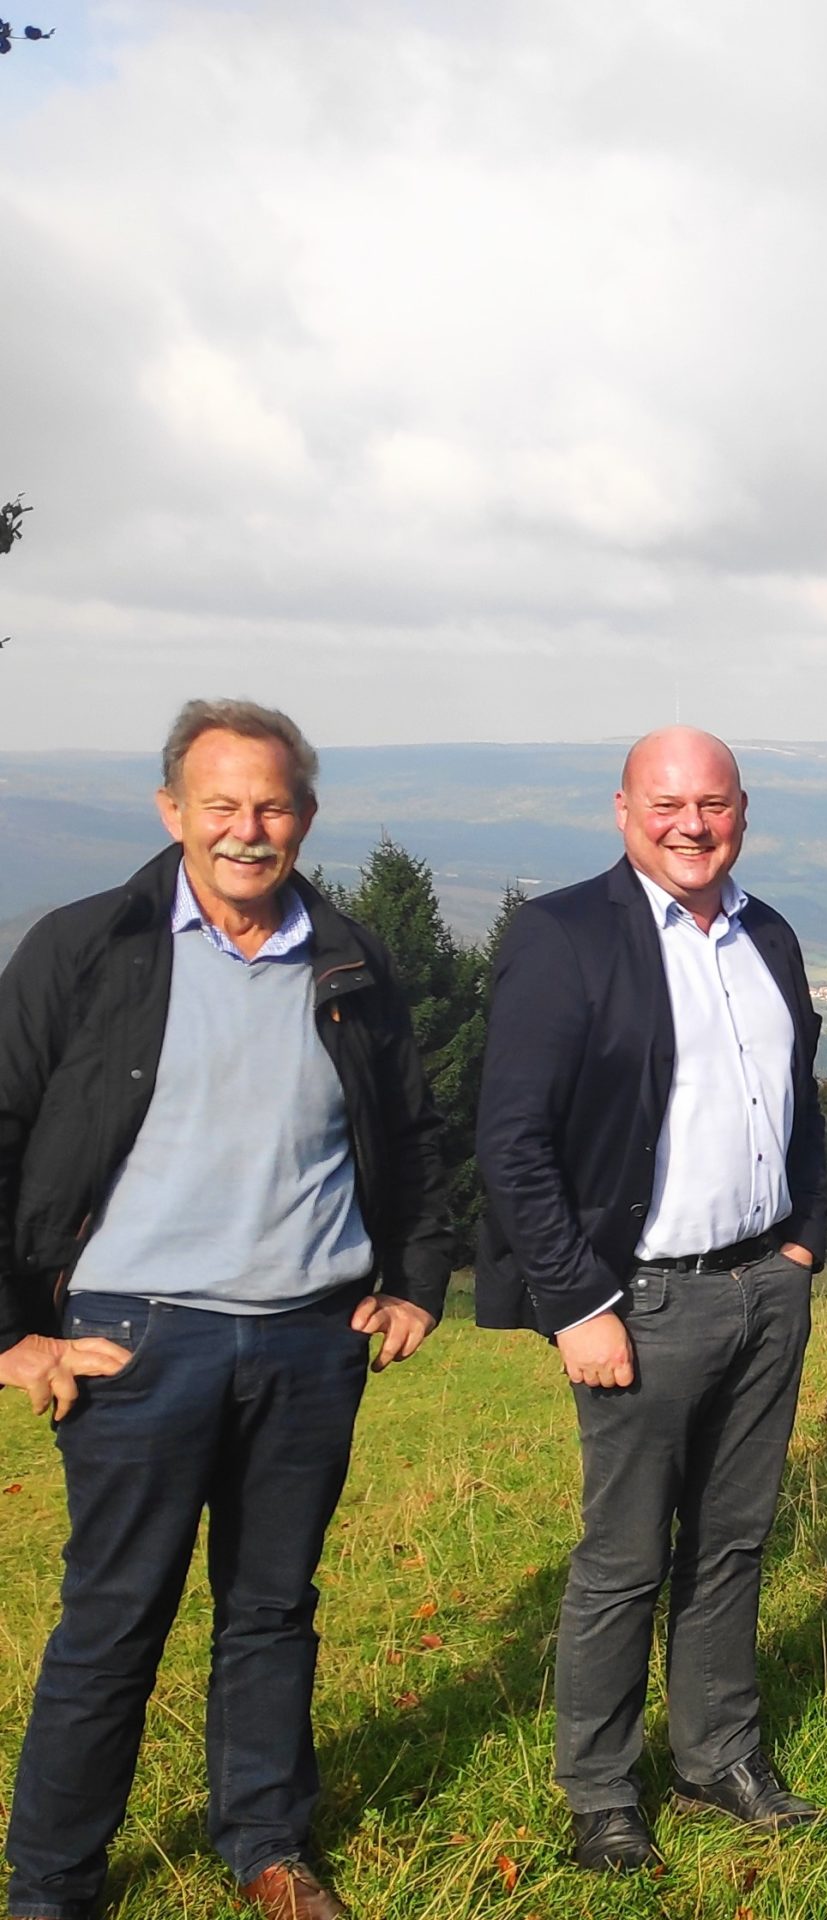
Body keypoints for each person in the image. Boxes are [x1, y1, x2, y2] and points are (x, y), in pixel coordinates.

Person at [0, 700, 451, 1920]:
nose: (249, 831)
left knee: (273, 1609)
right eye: (222, 807)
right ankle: (53, 1883)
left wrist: (413, 1279)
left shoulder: (349, 959)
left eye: (272, 806)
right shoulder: (88, 949)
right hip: (138, 1341)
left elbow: (407, 1134)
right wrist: (12, 1331)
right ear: (172, 813)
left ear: (302, 817)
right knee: (114, 1621)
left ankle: (266, 1844)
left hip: (311, 1340)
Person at [476, 727, 827, 1874]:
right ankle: (600, 1792)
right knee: (623, 1556)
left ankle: (716, 1752)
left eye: (713, 804)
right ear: (622, 809)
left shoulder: (764, 932)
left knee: (732, 1540)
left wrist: (803, 1244)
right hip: (643, 1300)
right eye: (668, 802)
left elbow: (800, 1099)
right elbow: (513, 1140)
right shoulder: (565, 936)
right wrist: (578, 1303)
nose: (692, 824)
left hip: (764, 1286)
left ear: (742, 812)